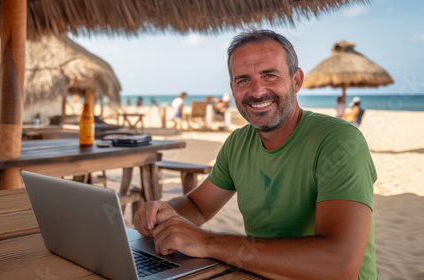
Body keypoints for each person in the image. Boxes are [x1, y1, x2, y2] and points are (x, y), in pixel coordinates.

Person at [134, 29, 377, 279]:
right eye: (243, 80)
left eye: (269, 75)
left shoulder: (338, 140)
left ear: (296, 80)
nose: (257, 91)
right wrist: (163, 212)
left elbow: (340, 265)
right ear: (232, 88)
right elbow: (199, 205)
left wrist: (206, 242)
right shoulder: (239, 142)